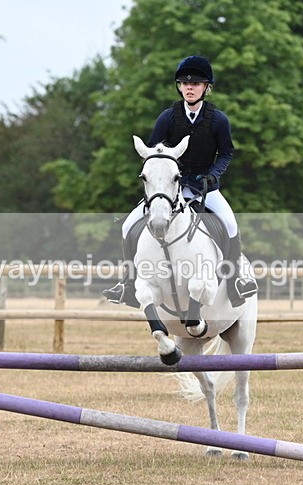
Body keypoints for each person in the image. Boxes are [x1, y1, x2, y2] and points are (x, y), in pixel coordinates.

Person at [103, 55, 258, 308]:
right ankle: (128, 285)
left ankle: (235, 282)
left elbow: (226, 153)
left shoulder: (218, 120)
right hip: (169, 189)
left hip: (206, 188)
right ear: (179, 87)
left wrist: (213, 175)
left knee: (230, 224)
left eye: (195, 83)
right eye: (185, 83)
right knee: (128, 225)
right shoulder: (168, 118)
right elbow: (153, 153)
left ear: (206, 87)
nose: (189, 88)